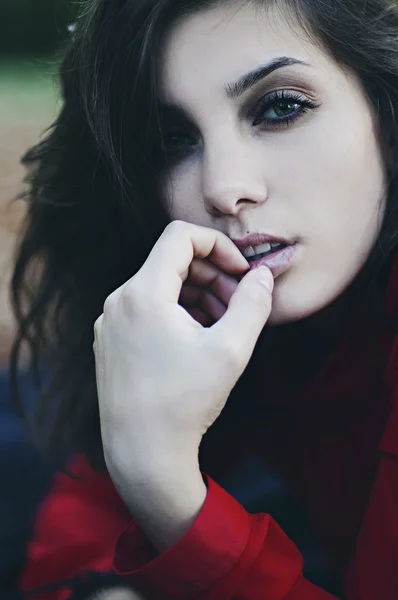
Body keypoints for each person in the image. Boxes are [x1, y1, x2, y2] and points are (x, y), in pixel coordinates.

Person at [10, 0, 398, 597]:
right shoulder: (226, 301)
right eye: (171, 139)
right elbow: (77, 527)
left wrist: (164, 487)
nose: (223, 188)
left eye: (280, 107)